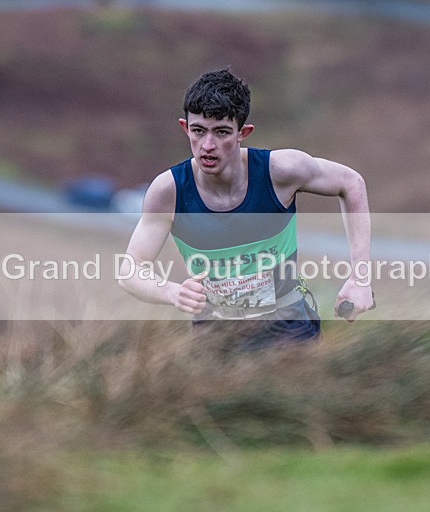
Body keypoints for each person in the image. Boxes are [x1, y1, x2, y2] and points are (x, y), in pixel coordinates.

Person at [118, 68, 373, 350]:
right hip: (214, 338)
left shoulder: (280, 171)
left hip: (290, 330)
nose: (208, 146)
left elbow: (352, 183)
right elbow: (131, 270)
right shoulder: (169, 191)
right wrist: (172, 292)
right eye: (198, 131)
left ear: (243, 132)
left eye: (222, 132)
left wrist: (359, 279)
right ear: (184, 127)